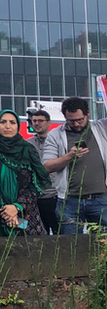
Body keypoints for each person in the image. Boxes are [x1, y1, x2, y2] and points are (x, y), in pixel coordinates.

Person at [0, 110, 51, 236]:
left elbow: (36, 184)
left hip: (26, 214)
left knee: (29, 252)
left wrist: (16, 207)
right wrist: (5, 210)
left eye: (12, 122)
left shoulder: (28, 150)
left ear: (18, 126)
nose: (8, 126)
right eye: (3, 122)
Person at [42, 96, 107, 234]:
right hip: (69, 201)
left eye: (80, 120)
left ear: (87, 114)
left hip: (101, 199)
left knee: (102, 246)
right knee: (71, 246)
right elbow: (46, 166)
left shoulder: (101, 127)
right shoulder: (55, 135)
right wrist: (69, 156)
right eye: (71, 121)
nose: (76, 124)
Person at [26, 110, 59, 234]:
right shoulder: (27, 144)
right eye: (34, 121)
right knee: (40, 234)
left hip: (54, 194)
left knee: (59, 233)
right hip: (35, 196)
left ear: (49, 122)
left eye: (40, 121)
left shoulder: (57, 141)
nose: (37, 123)